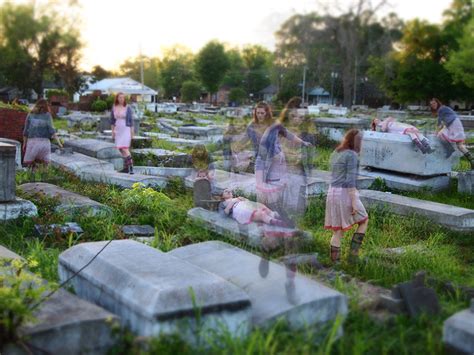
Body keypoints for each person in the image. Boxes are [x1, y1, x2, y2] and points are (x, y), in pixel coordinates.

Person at [324, 129, 368, 264]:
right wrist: (354, 201)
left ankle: (335, 264)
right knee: (364, 220)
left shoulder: (337, 152)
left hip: (332, 192)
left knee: (338, 231)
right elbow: (350, 181)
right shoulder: (352, 155)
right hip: (345, 193)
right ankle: (353, 256)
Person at [430, 98, 474, 169]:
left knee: (441, 135)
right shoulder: (443, 109)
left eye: (434, 103)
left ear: (438, 103)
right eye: (431, 104)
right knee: (460, 146)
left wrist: (436, 131)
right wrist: (439, 130)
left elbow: (439, 122)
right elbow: (443, 123)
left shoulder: (441, 109)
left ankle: (450, 149)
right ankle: (472, 160)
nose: (433, 105)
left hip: (454, 124)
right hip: (453, 124)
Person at [22, 98, 63, 169]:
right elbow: (52, 131)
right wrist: (59, 143)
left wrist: (24, 144)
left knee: (28, 166)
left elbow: (25, 131)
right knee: (44, 167)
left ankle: (31, 178)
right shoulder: (47, 116)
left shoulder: (30, 114)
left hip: (32, 143)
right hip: (45, 144)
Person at [219, 188, 287, 226]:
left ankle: (277, 216)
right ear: (222, 196)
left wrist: (244, 199)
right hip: (238, 210)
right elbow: (223, 215)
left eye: (229, 191)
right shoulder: (223, 203)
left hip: (246, 205)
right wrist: (232, 203)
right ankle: (278, 222)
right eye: (226, 191)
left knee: (262, 207)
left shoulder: (238, 198)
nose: (228, 191)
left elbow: (249, 202)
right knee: (261, 214)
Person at [111, 92, 134, 174]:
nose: (121, 99)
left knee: (125, 148)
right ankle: (126, 167)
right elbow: (112, 121)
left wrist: (132, 133)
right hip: (118, 129)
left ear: (124, 99)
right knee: (120, 148)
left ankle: (131, 167)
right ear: (117, 98)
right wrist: (113, 131)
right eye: (119, 97)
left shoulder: (127, 108)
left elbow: (131, 121)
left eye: (123, 97)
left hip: (125, 128)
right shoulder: (114, 107)